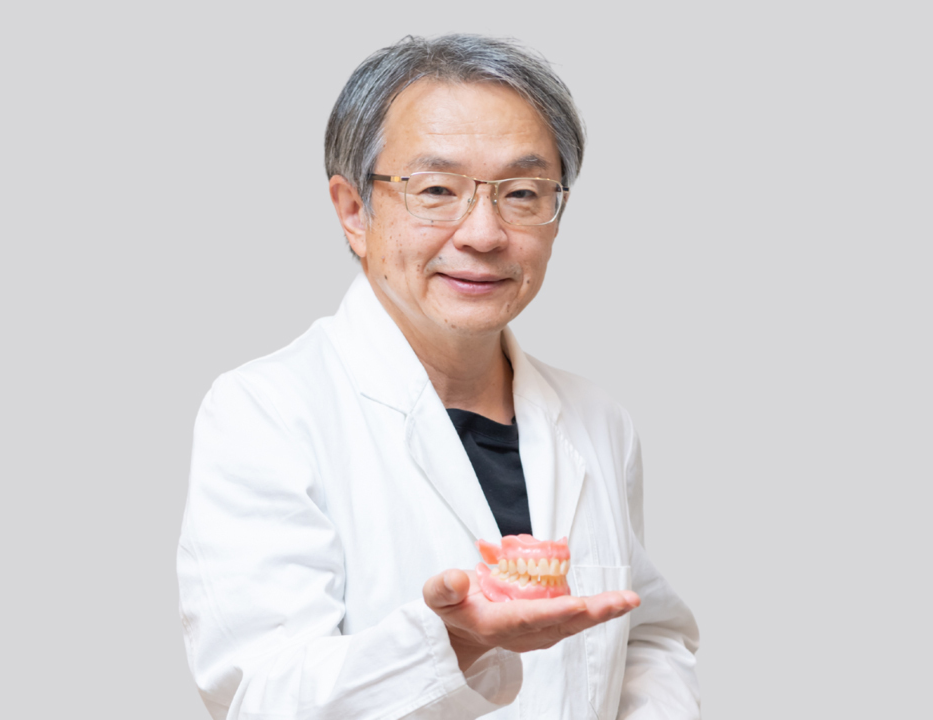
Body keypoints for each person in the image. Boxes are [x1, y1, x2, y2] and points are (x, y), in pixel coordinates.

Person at [178, 34, 700, 719]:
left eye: (521, 193)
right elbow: (264, 695)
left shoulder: (598, 419)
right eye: (436, 191)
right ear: (354, 211)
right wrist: (452, 645)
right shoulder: (266, 413)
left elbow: (646, 636)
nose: (483, 234)